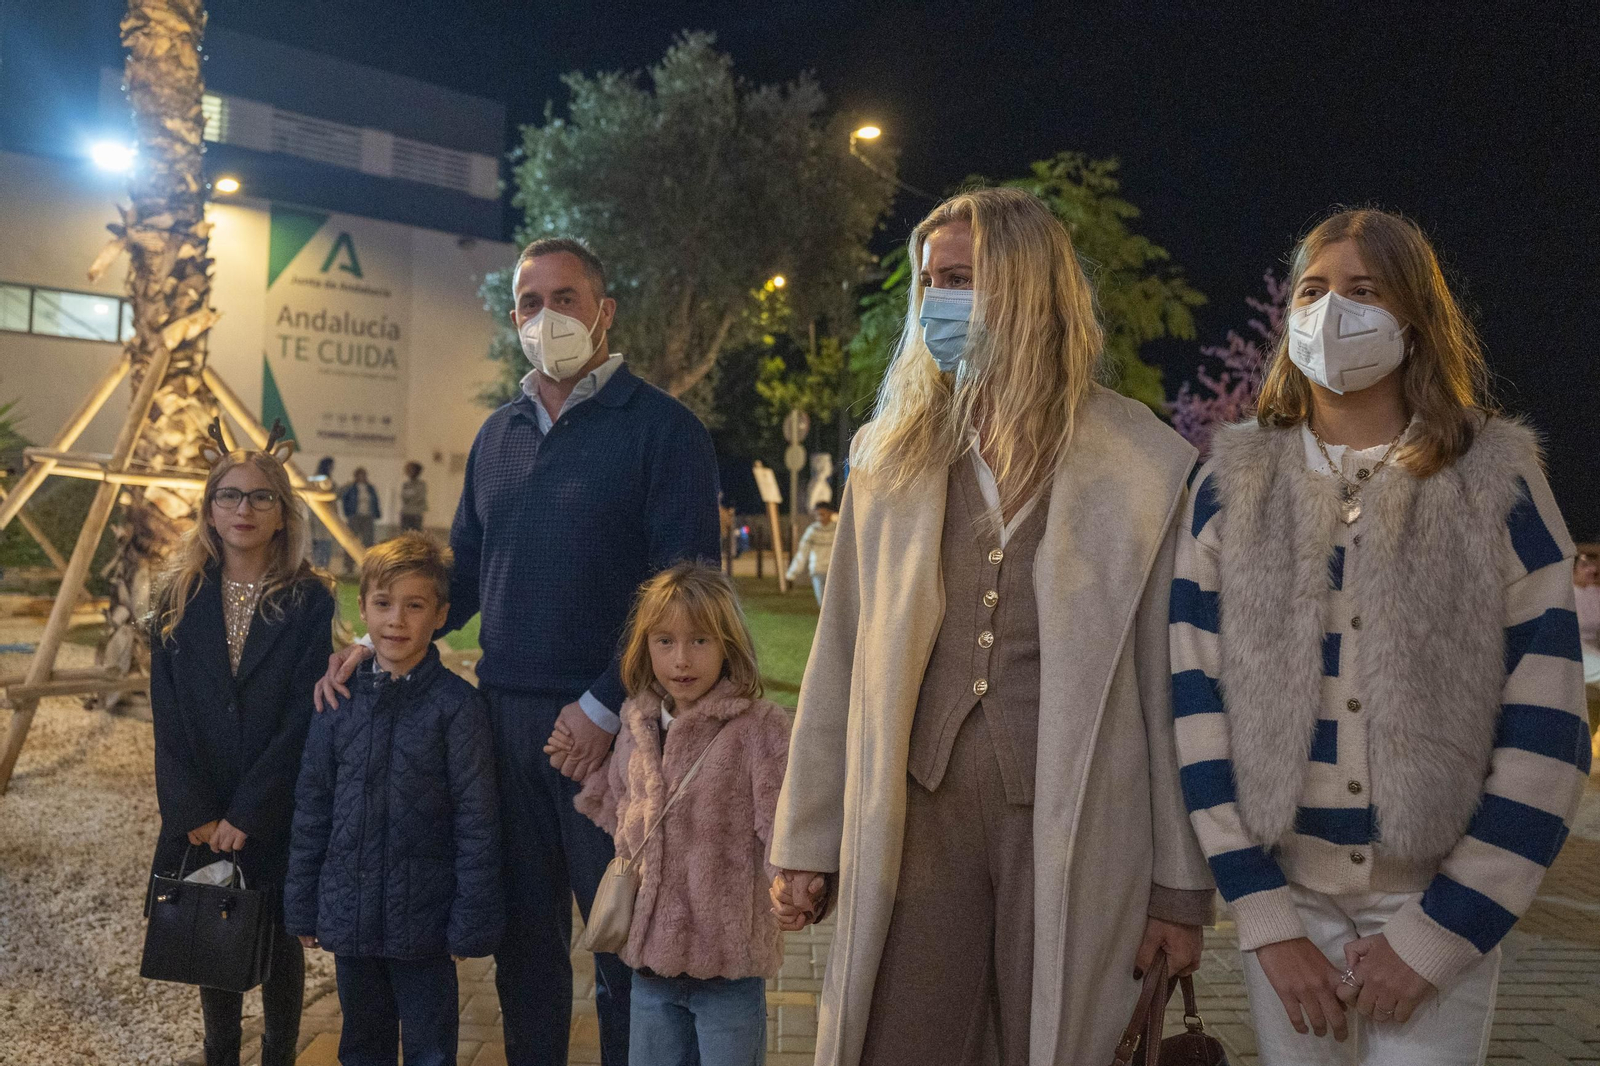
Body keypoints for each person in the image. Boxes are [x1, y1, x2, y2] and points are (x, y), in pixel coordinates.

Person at [767, 187, 1212, 1066]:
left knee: (1048, 1039)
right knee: (905, 1039)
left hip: (1079, 821)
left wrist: (1179, 890)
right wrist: (807, 839)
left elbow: (1173, 693)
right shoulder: (890, 457)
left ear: (1029, 289)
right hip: (919, 813)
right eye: (930, 281)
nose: (938, 302)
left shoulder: (1145, 465)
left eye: (962, 279)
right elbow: (839, 659)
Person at [1169, 208, 1590, 1064]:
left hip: (1436, 903)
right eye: (1314, 291)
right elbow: (1194, 708)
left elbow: (1548, 728)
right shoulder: (1230, 487)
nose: (1333, 313)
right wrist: (1265, 920)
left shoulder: (1497, 480)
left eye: (1365, 292)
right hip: (1288, 904)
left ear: (1414, 320)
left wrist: (1443, 931)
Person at [317, 236, 721, 1066]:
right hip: (499, 727)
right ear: (515, 319)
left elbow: (689, 596)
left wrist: (604, 705)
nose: (548, 316)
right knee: (523, 949)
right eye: (531, 303)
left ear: (604, 312)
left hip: (618, 735)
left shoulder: (665, 432)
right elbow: (459, 578)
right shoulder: (497, 434)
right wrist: (375, 638)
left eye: (565, 299)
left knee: (623, 943)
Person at [148, 427, 336, 1066]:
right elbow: (167, 718)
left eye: (260, 498)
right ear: (208, 509)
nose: (243, 511)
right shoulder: (176, 597)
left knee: (279, 944)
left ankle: (280, 1055)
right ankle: (220, 1054)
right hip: (201, 810)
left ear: (283, 514)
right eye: (228, 497)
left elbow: (300, 719)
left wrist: (249, 813)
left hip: (273, 807)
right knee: (212, 938)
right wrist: (195, 811)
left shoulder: (309, 599)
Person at [285, 534, 502, 1066]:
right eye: (382, 605)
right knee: (361, 1046)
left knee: (431, 1049)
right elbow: (313, 807)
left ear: (441, 614)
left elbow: (478, 822)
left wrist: (469, 919)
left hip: (426, 924)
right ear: (362, 609)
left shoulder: (459, 709)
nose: (396, 621)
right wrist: (303, 902)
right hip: (351, 916)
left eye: (415, 606)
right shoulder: (336, 700)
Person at [570, 564, 790, 1066]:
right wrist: (584, 771)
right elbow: (621, 806)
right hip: (649, 966)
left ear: (729, 644)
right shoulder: (639, 721)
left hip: (728, 966)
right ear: (645, 647)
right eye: (664, 641)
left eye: (701, 641)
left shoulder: (760, 729)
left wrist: (791, 884)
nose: (681, 659)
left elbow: (782, 824)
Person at [786, 501, 837, 605]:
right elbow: (802, 552)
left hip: (834, 570)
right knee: (822, 603)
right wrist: (792, 572)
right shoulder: (812, 530)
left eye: (823, 514)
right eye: (817, 514)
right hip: (817, 570)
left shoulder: (837, 529)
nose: (820, 517)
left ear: (831, 513)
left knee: (834, 603)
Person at [341, 467, 381, 555]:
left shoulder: (370, 488)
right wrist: (348, 512)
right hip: (355, 515)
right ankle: (349, 565)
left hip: (367, 516)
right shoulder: (351, 488)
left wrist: (377, 513)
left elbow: (375, 501)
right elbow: (345, 499)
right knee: (351, 540)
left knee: (368, 540)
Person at [310, 456, 336, 569]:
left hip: (318, 515)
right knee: (322, 542)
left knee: (319, 541)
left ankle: (320, 565)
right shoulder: (322, 480)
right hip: (322, 515)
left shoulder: (314, 479)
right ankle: (321, 566)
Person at [399, 461, 429, 532]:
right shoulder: (406, 484)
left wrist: (410, 496)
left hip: (416, 513)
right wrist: (412, 495)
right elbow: (403, 497)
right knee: (404, 534)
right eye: (408, 470)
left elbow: (420, 497)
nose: (409, 472)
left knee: (416, 534)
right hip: (405, 512)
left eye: (412, 470)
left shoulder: (422, 484)